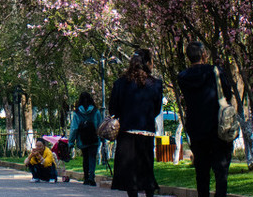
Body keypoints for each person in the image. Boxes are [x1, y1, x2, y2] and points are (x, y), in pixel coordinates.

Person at [175, 42, 234, 197]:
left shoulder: (182, 77)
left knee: (201, 172)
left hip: (196, 128)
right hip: (217, 128)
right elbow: (227, 94)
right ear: (203, 54)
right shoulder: (215, 71)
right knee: (221, 172)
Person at [109, 49, 162, 197]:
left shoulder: (120, 84)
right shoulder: (155, 84)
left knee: (130, 175)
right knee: (147, 170)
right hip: (146, 132)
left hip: (127, 133)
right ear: (147, 63)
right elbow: (156, 108)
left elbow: (113, 108)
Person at [69, 91, 104, 185]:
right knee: (92, 157)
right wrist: (101, 138)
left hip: (82, 139)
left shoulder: (77, 113)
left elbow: (74, 128)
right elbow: (100, 125)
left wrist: (71, 142)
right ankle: (92, 176)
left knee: (85, 158)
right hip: (94, 139)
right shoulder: (96, 111)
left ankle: (86, 177)